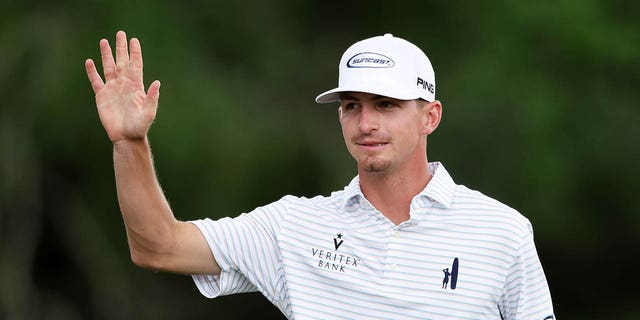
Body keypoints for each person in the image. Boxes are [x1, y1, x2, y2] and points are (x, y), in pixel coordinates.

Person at [85, 31, 555, 319]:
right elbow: (158, 246)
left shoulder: (502, 232)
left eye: (386, 105)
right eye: (352, 106)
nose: (366, 123)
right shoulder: (294, 227)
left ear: (429, 116)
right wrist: (130, 143)